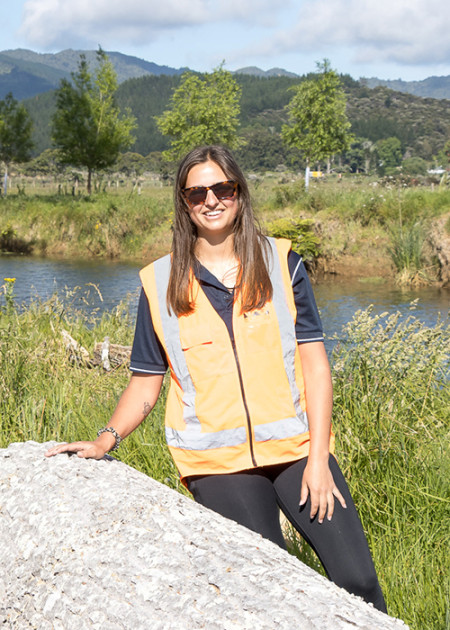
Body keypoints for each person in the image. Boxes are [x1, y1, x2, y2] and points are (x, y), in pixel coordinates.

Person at [46, 145, 387, 613]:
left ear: (240, 194)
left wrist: (320, 458)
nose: (211, 199)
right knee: (273, 584)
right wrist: (105, 441)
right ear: (184, 202)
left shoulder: (283, 265)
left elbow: (315, 365)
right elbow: (146, 382)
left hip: (295, 451)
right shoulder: (160, 283)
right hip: (216, 465)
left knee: (358, 581)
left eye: (222, 188)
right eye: (197, 192)